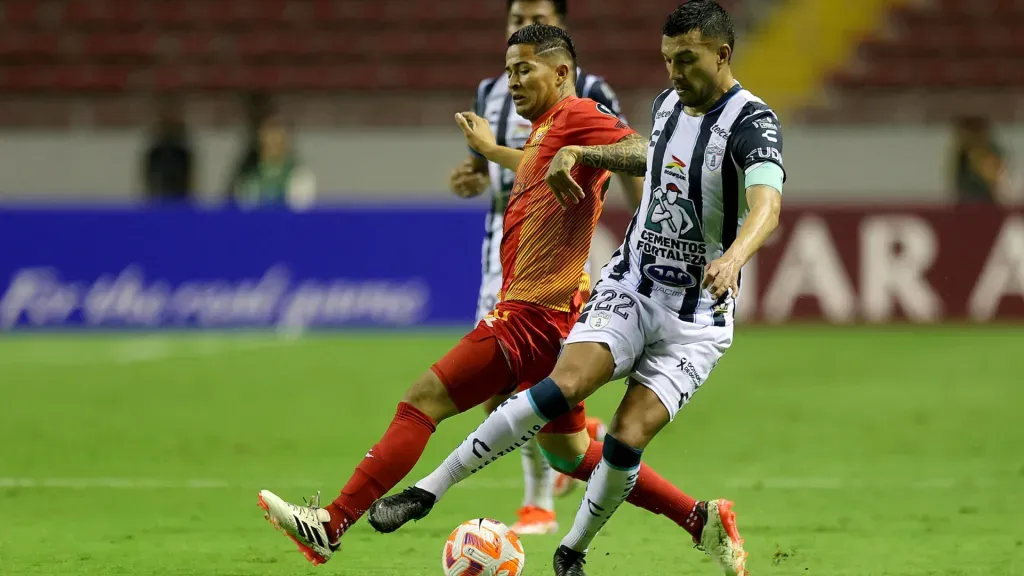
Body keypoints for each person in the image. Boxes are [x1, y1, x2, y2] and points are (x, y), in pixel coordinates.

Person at [257, 23, 716, 567]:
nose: (514, 83)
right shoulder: (546, 129)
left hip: (532, 316)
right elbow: (542, 165)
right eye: (509, 72)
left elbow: (646, 150)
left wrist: (583, 156)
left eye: (526, 70)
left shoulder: (578, 116)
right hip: (555, 319)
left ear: (562, 71)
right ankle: (699, 517)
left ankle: (331, 522)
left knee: (424, 398)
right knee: (571, 454)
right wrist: (491, 150)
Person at [370, 3, 786, 575]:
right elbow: (631, 158)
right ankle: (429, 492)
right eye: (667, 60)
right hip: (632, 285)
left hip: (696, 318)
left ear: (723, 54)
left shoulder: (753, 124)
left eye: (686, 60)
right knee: (563, 385)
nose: (674, 72)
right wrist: (551, 154)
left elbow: (768, 206)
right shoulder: (668, 105)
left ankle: (573, 550)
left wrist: (737, 254)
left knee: (625, 437)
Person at [449, 0, 642, 535]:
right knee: (503, 398)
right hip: (501, 247)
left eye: (533, 17)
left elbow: (625, 153)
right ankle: (569, 441)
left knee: (514, 386)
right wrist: (473, 172)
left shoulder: (590, 92)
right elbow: (498, 161)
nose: (520, 27)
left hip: (555, 252)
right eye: (514, 19)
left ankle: (539, 501)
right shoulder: (492, 91)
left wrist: (642, 223)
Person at [232, 111, 316, 210]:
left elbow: (301, 212)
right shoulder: (248, 176)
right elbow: (243, 210)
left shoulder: (300, 175)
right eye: (268, 134)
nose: (272, 140)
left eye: (277, 134)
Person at [141, 95, 193, 202]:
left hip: (179, 200)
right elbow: (149, 179)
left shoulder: (183, 153)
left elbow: (189, 180)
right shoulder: (155, 153)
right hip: (159, 200)